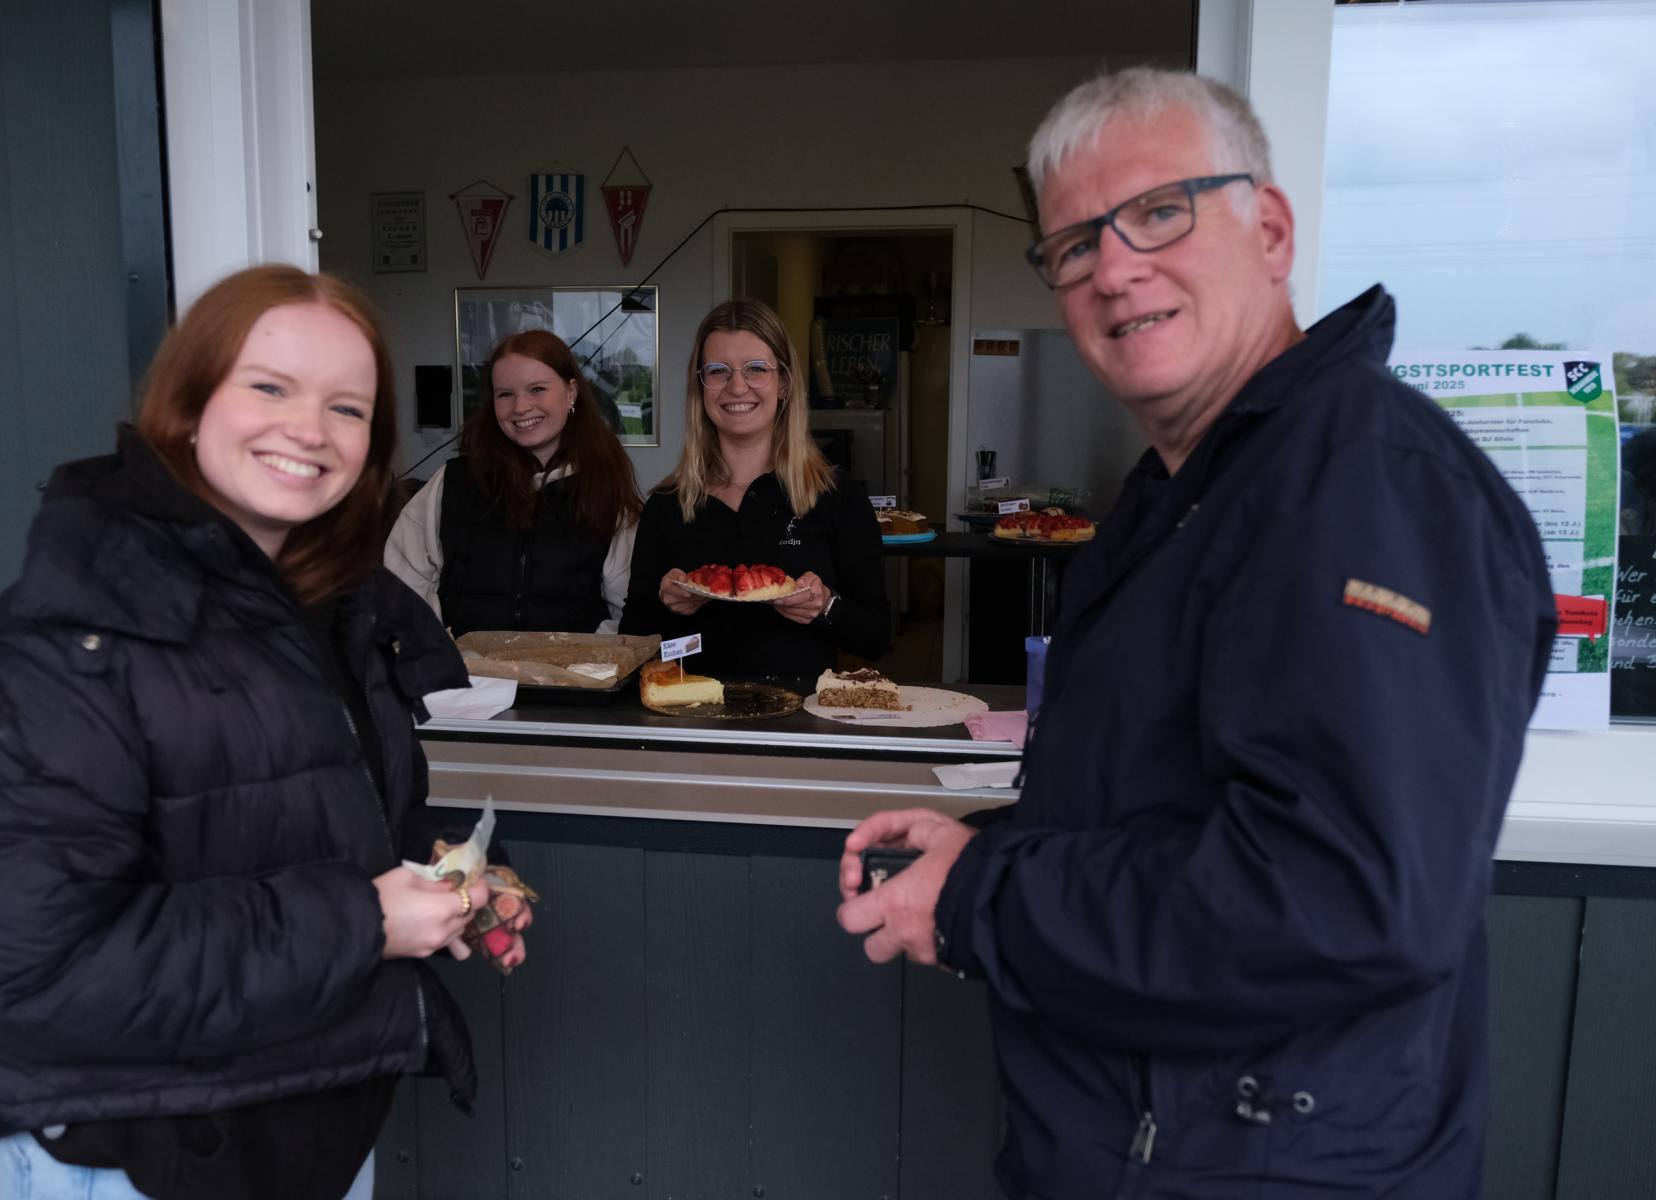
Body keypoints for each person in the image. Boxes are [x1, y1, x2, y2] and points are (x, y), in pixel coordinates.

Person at [836, 68, 1556, 1199]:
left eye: (1161, 212)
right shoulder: (1189, 496)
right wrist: (987, 849)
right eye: (1074, 244)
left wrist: (984, 897)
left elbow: (1341, 898)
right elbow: (1174, 807)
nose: (1115, 268)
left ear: (1270, 231)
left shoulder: (1368, 485)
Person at [0, 265, 527, 1200]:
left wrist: (452, 868)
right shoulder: (66, 645)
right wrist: (366, 922)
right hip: (136, 1166)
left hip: (313, 1134)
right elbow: (31, 981)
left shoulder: (325, 614)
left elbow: (310, 819)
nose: (310, 429)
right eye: (271, 387)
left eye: (348, 408)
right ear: (187, 403)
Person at [621, 299, 890, 676]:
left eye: (756, 369)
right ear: (701, 387)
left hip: (800, 711)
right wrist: (665, 604)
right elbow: (633, 639)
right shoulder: (667, 505)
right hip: (691, 707)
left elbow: (877, 638)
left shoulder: (836, 495)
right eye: (718, 371)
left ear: (785, 384)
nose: (737, 386)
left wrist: (826, 605)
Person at [385, 330, 642, 636]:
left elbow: (627, 603)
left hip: (576, 667)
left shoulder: (605, 489)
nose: (520, 407)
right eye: (505, 394)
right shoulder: (453, 482)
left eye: (537, 389)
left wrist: (588, 660)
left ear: (571, 392)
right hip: (464, 666)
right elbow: (402, 581)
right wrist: (436, 651)